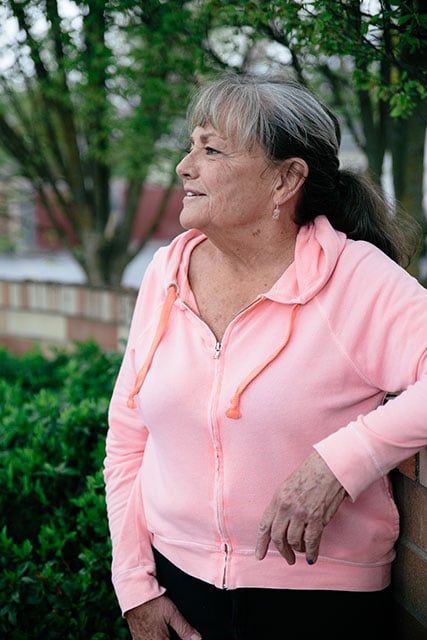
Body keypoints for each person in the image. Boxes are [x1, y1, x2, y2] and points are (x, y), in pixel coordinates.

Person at [104, 73, 427, 640]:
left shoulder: (354, 278)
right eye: (191, 145)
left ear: (285, 179)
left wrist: (341, 462)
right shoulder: (165, 274)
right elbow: (129, 435)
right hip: (175, 587)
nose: (184, 166)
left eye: (211, 149)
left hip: (317, 603)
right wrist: (134, 583)